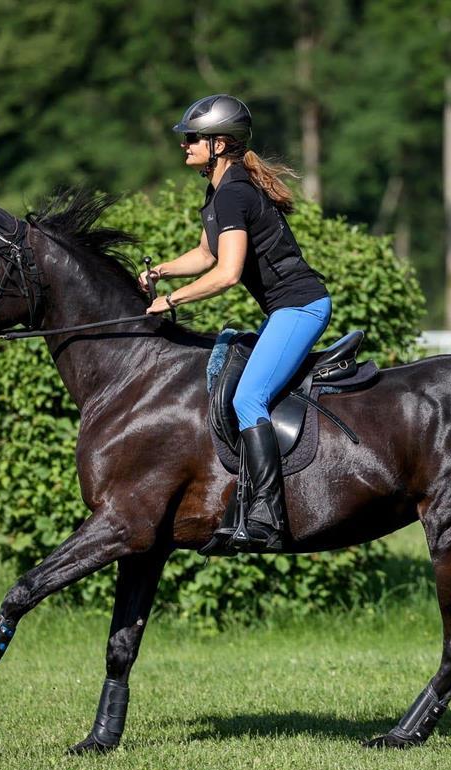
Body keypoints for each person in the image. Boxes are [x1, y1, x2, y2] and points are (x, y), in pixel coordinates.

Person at [142, 94, 331, 553]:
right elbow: (207, 254)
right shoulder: (221, 190)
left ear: (219, 144)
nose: (184, 145)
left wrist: (171, 300)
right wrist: (161, 270)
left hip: (301, 308)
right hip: (286, 309)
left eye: (193, 139)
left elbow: (226, 273)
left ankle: (266, 515)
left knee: (249, 398)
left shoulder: (235, 192)